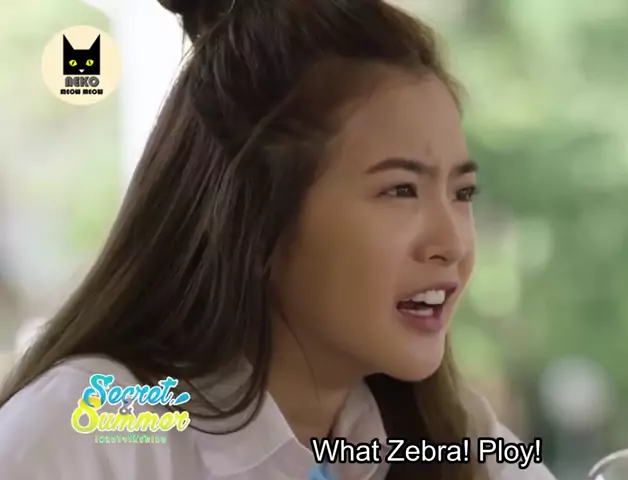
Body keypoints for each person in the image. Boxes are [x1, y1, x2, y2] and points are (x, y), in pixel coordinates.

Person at [0, 1, 557, 479]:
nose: (451, 244)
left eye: (462, 193)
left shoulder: (456, 437)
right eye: (400, 190)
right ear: (256, 215)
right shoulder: (97, 426)